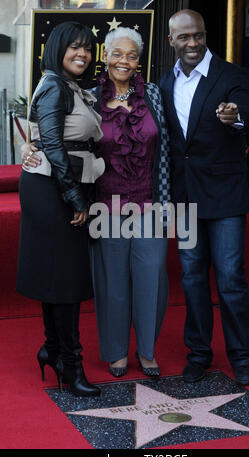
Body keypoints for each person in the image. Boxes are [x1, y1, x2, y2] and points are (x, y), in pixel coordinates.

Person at [22, 27, 171, 378]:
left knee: (153, 277)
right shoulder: (87, 94)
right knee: (112, 282)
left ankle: (147, 351)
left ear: (139, 61)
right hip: (103, 202)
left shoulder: (153, 93)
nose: (124, 60)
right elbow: (56, 130)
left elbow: (169, 147)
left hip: (150, 201)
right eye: (117, 53)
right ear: (106, 56)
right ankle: (116, 353)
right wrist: (31, 146)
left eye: (132, 55)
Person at [159, 9, 249, 386]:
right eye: (184, 37)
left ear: (205, 35)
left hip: (226, 196)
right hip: (185, 199)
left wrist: (234, 118)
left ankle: (242, 356)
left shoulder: (232, 75)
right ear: (171, 42)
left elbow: (247, 120)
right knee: (192, 278)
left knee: (231, 278)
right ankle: (198, 353)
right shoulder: (163, 84)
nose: (193, 43)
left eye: (198, 35)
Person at [17, 21, 105, 397]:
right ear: (57, 49)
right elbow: (52, 146)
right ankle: (71, 364)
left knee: (59, 275)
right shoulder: (54, 85)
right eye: (74, 47)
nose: (82, 54)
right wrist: (75, 199)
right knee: (66, 278)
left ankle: (53, 351)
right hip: (54, 190)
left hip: (59, 186)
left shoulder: (69, 86)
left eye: (87, 48)